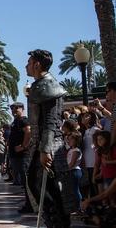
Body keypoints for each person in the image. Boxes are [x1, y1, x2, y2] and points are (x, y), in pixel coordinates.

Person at [25, 49, 72, 227]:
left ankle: (58, 223)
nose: (26, 66)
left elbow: (51, 122)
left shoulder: (49, 86)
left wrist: (45, 149)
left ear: (37, 65)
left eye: (29, 62)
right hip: (42, 145)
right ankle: (52, 221)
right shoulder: (40, 85)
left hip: (49, 146)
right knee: (37, 184)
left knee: (52, 190)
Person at [66, 132, 83, 213]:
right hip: (70, 171)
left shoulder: (76, 150)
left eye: (71, 139)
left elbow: (72, 163)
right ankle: (74, 207)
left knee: (75, 190)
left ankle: (79, 207)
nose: (69, 141)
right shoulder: (70, 149)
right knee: (71, 190)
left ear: (76, 141)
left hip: (74, 171)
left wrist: (64, 170)